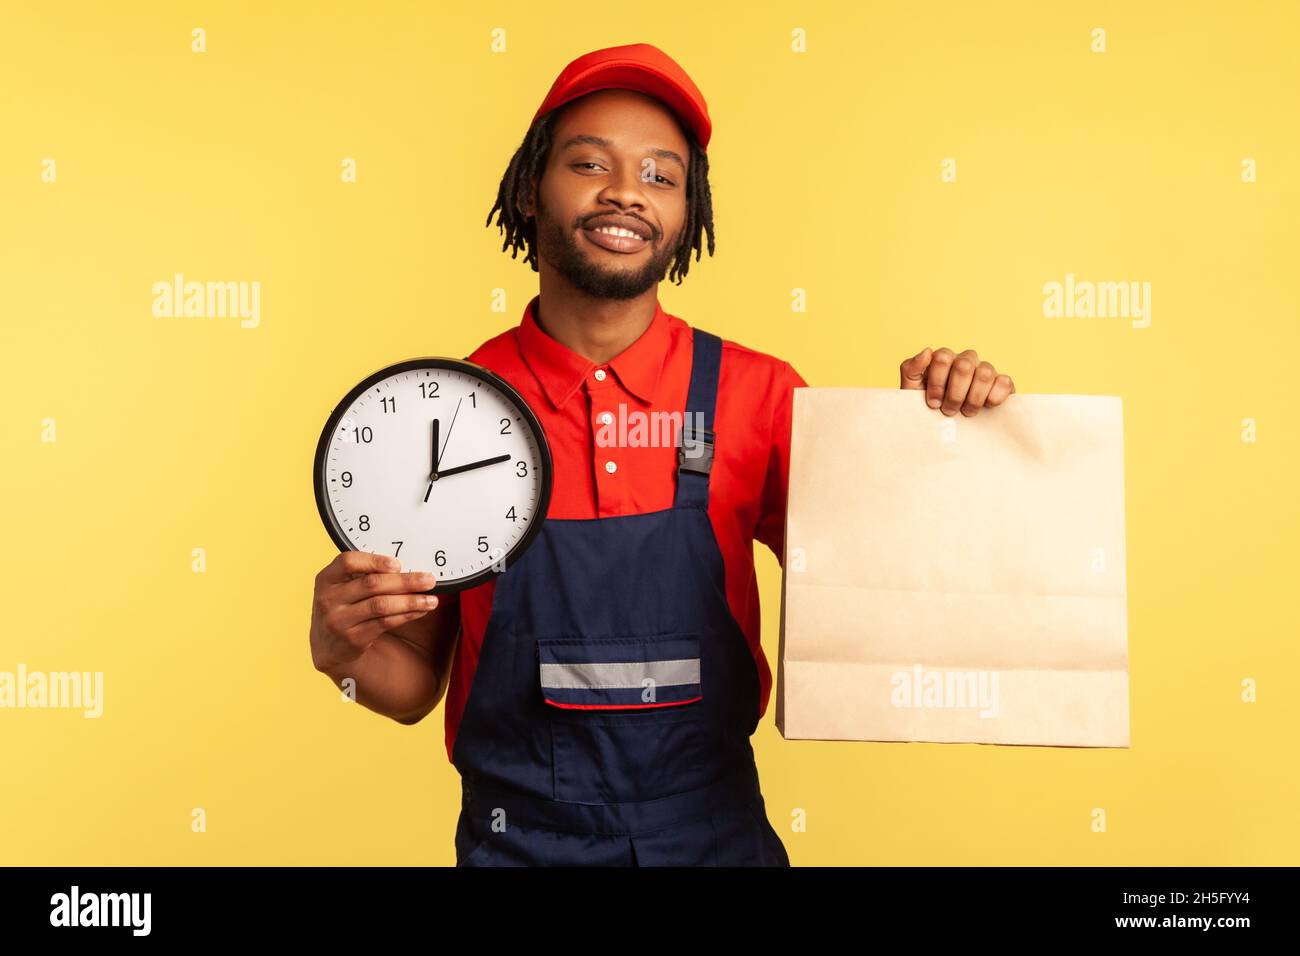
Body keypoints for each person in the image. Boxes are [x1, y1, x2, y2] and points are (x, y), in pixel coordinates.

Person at [308, 43, 1016, 866]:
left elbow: (890, 593)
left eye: (660, 175)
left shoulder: (760, 393)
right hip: (515, 846)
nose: (625, 191)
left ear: (686, 215)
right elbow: (411, 687)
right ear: (530, 189)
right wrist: (341, 654)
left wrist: (931, 435)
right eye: (588, 163)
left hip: (713, 841)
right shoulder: (446, 414)